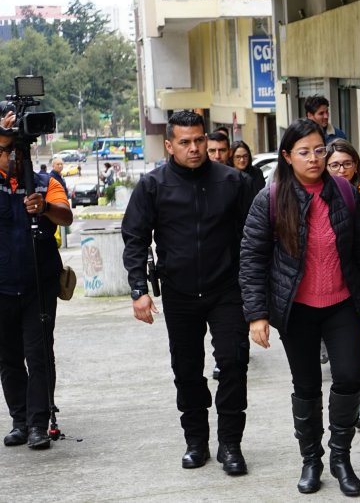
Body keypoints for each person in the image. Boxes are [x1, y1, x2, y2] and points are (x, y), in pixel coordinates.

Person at [239, 120, 360, 496]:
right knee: (306, 386)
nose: (314, 158)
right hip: (297, 311)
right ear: (287, 156)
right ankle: (311, 459)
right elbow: (252, 259)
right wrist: (257, 315)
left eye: (319, 150)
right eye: (304, 152)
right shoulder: (270, 198)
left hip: (342, 304)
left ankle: (341, 458)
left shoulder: (344, 191)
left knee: (349, 379)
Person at [121, 111, 254, 475]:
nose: (194, 148)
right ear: (169, 145)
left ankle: (230, 444)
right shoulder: (152, 186)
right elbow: (135, 238)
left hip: (227, 289)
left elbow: (256, 235)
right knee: (187, 370)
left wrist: (257, 288)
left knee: (233, 364)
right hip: (179, 292)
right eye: (185, 142)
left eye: (199, 140)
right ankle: (196, 441)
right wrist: (139, 289)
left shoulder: (233, 181)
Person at [0, 116, 73, 450]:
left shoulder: (46, 182)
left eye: (15, 150)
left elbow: (65, 216)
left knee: (39, 354)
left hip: (38, 286)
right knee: (9, 357)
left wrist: (43, 208)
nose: (9, 157)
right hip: (3, 287)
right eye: (4, 150)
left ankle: (38, 424)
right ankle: (20, 421)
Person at [325, 139, 360, 431]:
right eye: (334, 165)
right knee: (343, 352)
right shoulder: (318, 197)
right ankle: (345, 400)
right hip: (329, 285)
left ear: (356, 166)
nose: (341, 170)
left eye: (347, 164)